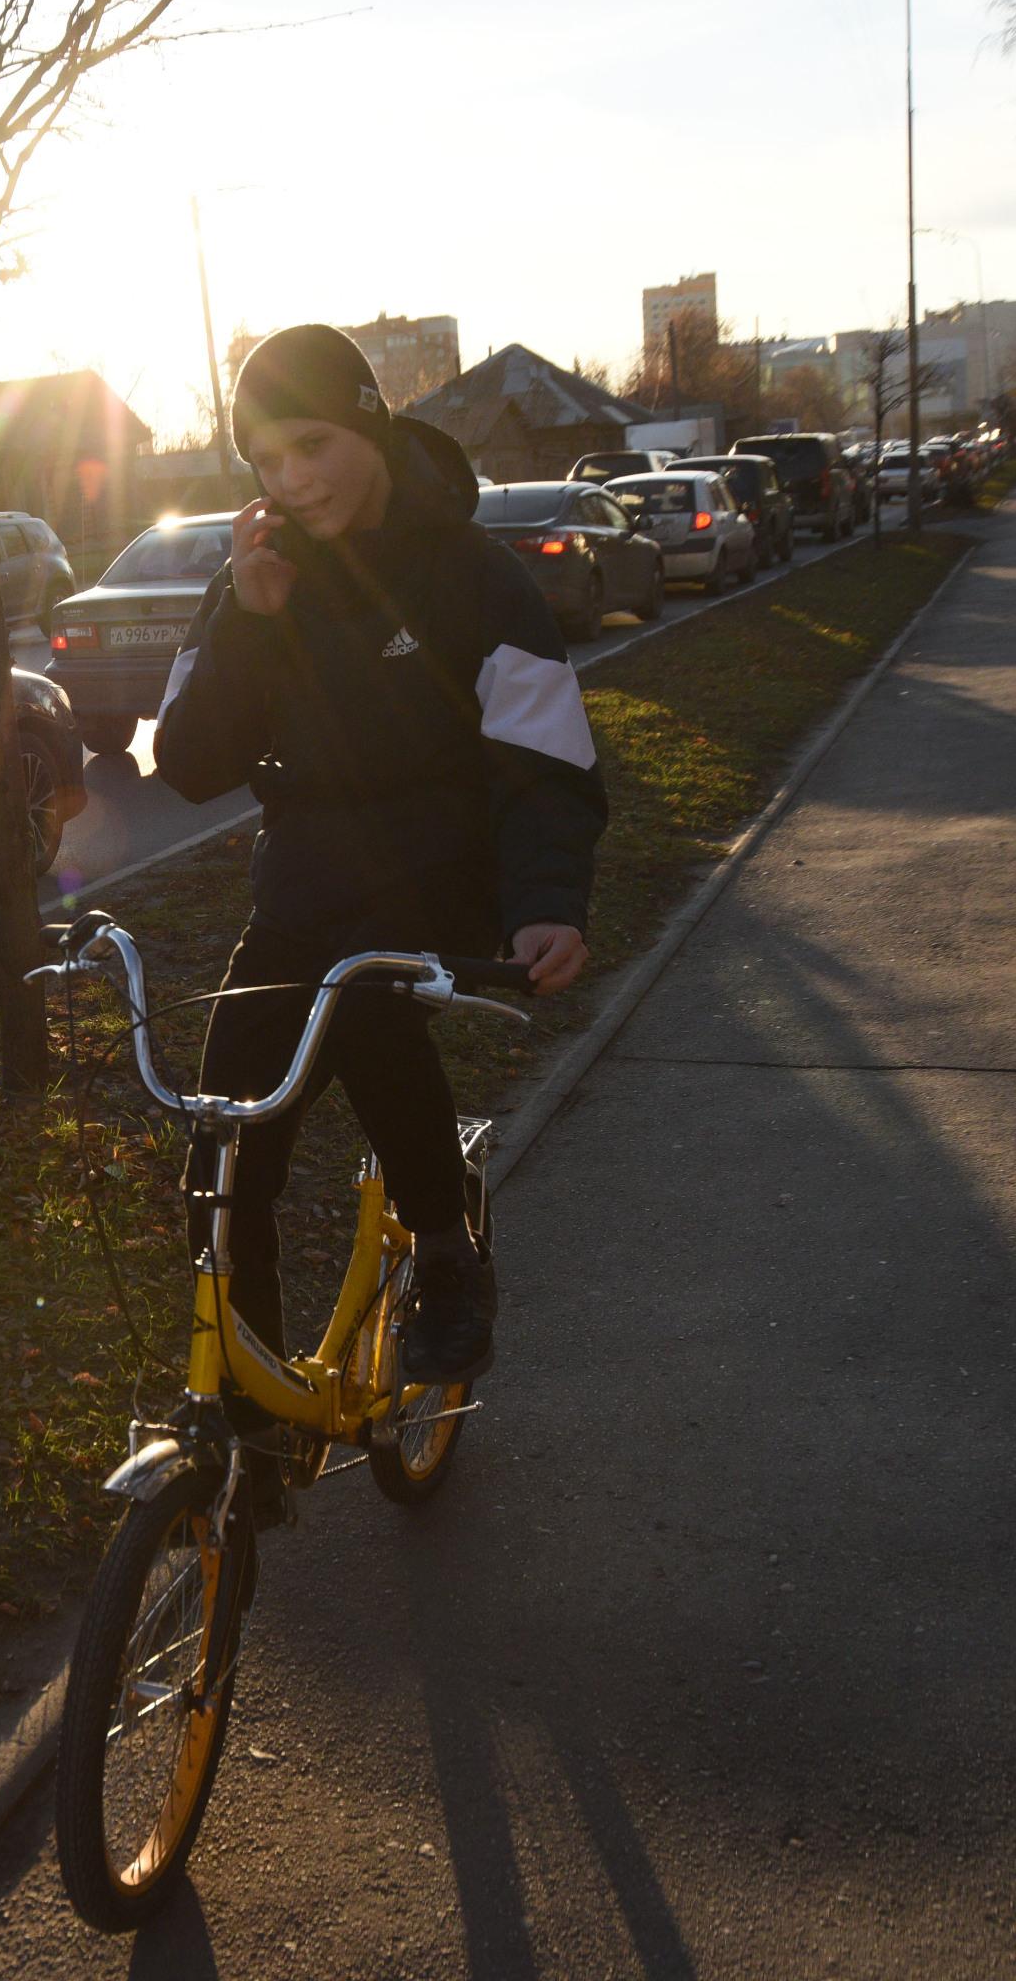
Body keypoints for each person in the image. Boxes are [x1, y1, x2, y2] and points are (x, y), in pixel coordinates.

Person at [153, 325, 608, 1390]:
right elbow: (185, 760)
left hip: (436, 876)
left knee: (366, 1005)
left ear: (368, 423)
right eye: (267, 459)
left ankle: (449, 1257)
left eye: (312, 443)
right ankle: (246, 1405)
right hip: (300, 886)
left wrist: (546, 901)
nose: (293, 480)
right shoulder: (256, 578)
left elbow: (547, 762)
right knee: (223, 1137)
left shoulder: (474, 577)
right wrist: (250, 624)